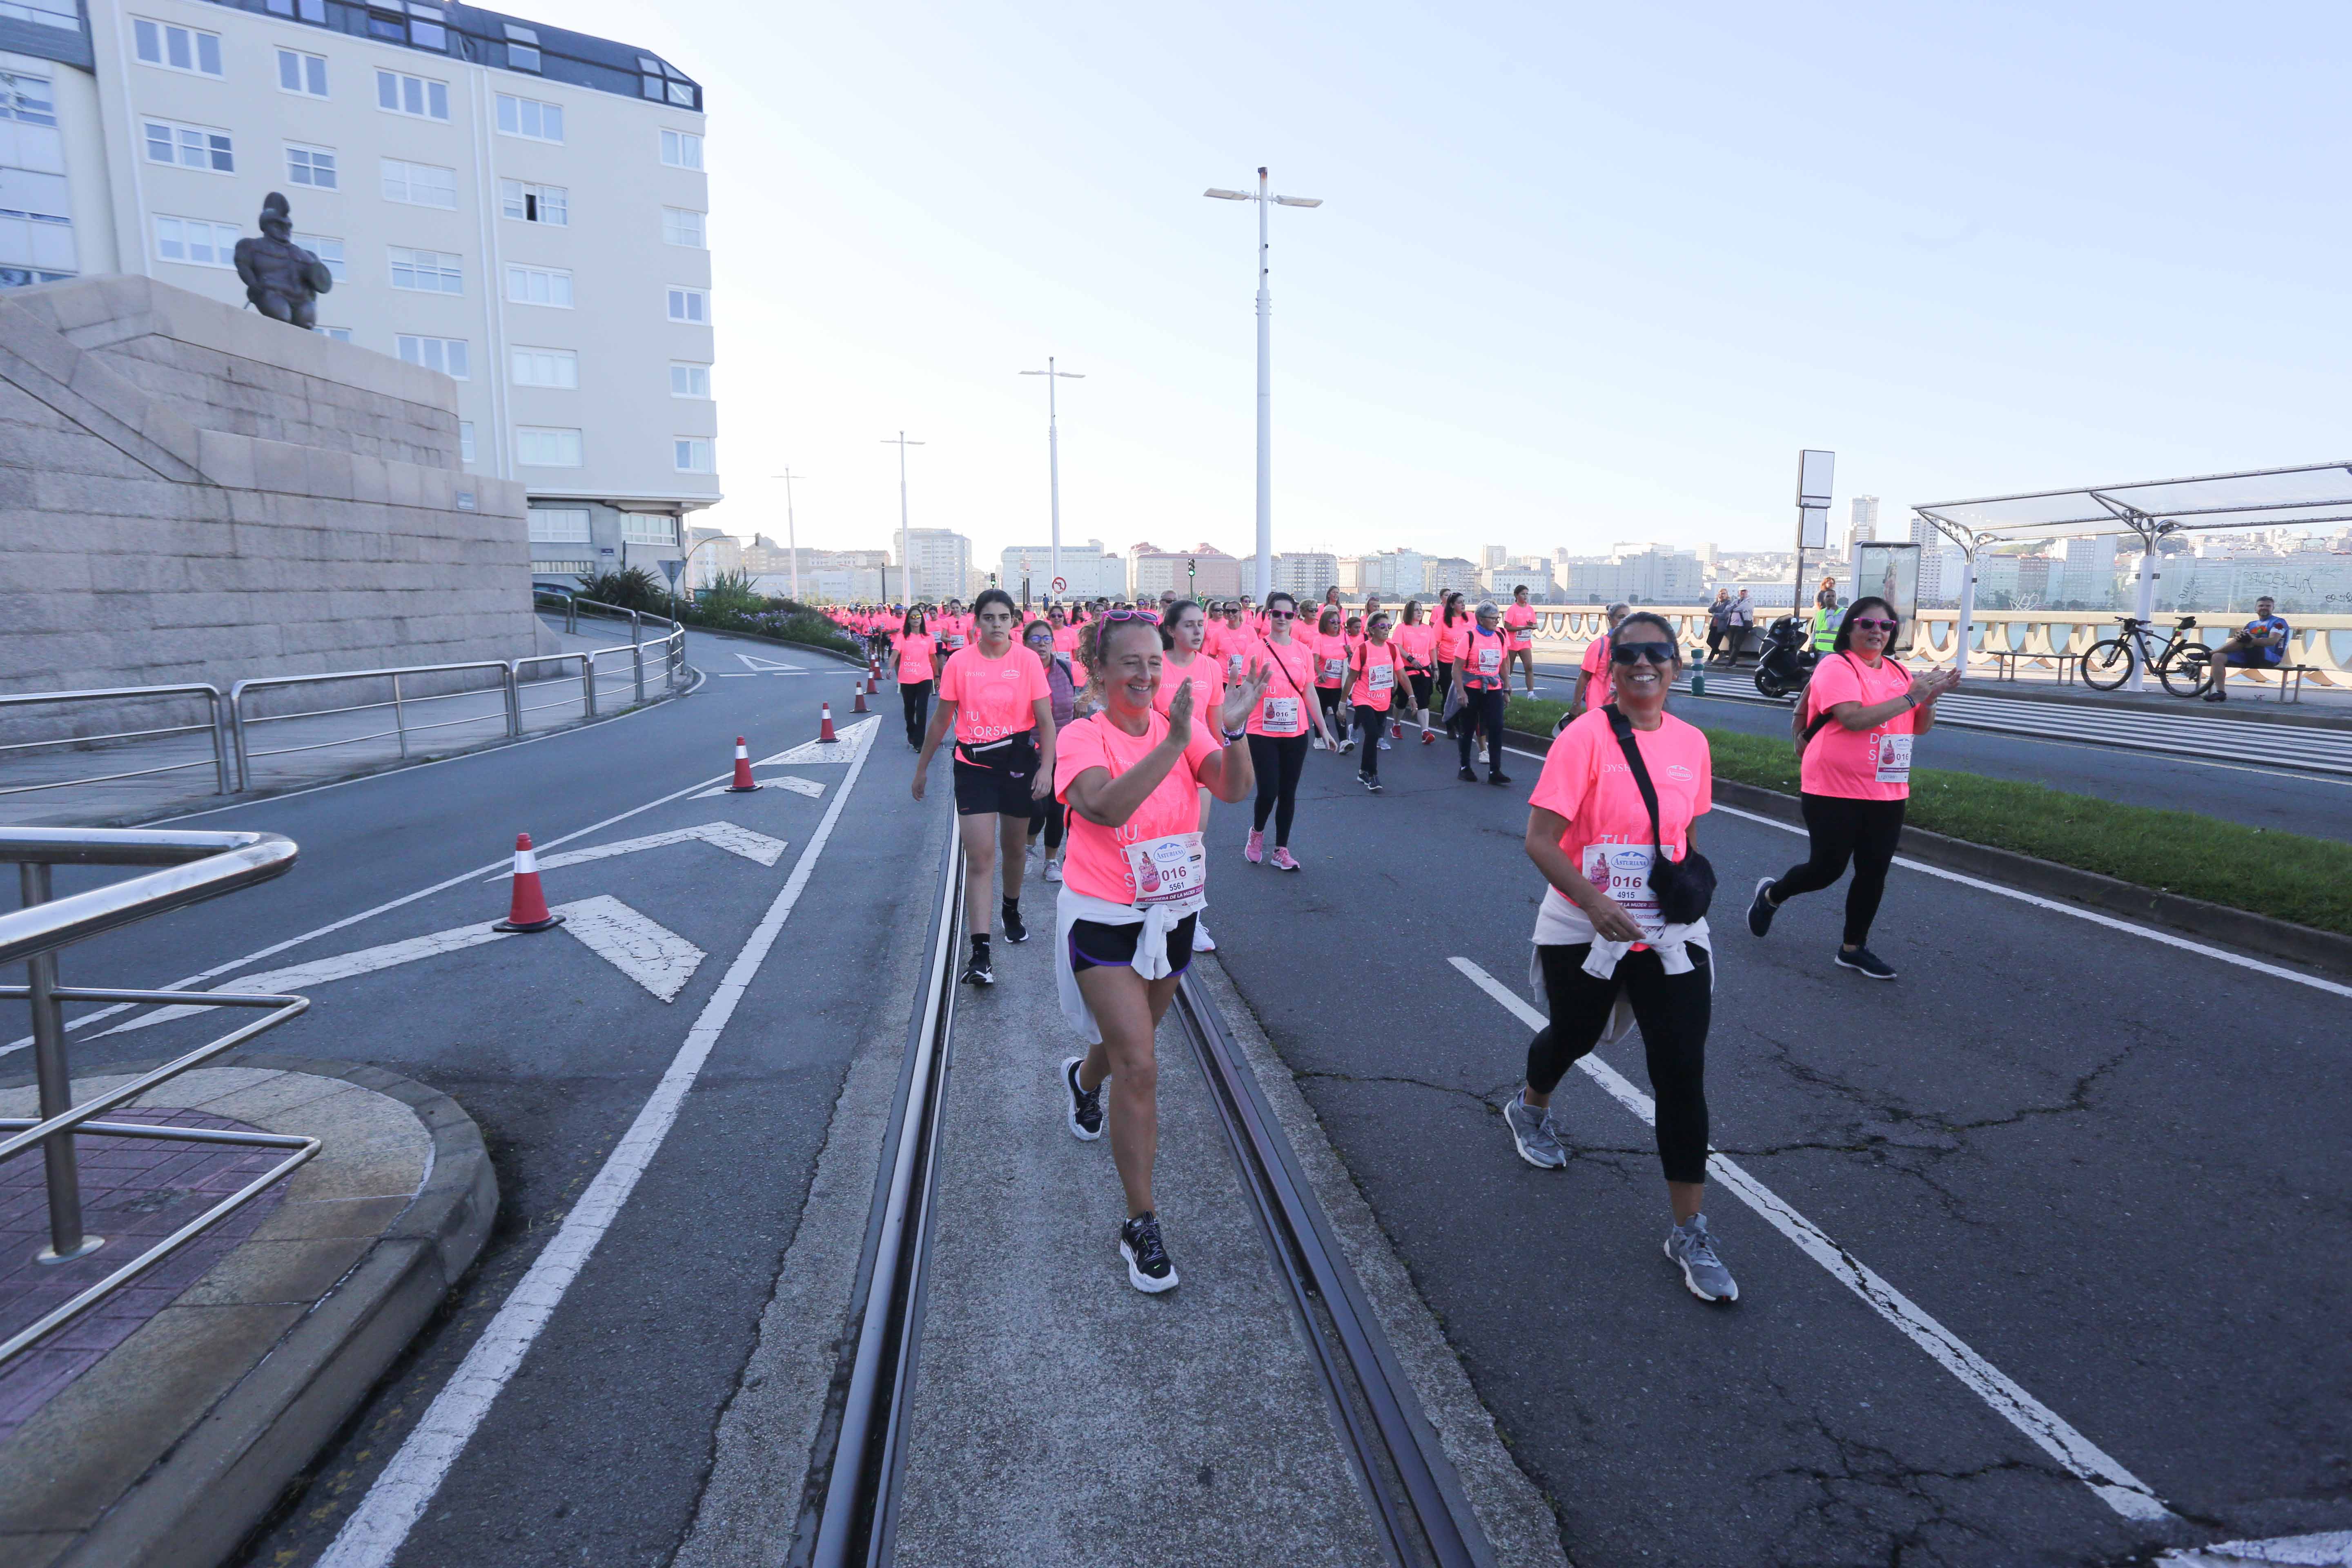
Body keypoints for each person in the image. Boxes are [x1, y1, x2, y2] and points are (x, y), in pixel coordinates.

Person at [1503, 612, 1737, 1302]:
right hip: (1583, 922)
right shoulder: (1583, 739)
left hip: (1666, 932)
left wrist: (1679, 888)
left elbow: (1683, 831)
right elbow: (1541, 839)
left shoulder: (1693, 744)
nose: (1644, 664)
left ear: (1674, 662)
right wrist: (1595, 902)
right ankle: (1531, 1104)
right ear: (1611, 666)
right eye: (1630, 654)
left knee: (1681, 1073)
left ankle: (1689, 1229)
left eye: (1657, 653)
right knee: (1575, 1035)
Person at [1055, 615, 1268, 1292]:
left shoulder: (1185, 725)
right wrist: (1174, 739)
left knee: (1127, 1049)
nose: (1147, 676)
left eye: (1154, 663)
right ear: (1099, 672)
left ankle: (1084, 1082)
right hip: (1103, 913)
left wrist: (1230, 733)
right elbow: (1105, 808)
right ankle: (1140, 1222)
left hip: (1173, 908)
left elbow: (1234, 788)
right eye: (1131, 665)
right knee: (1141, 1065)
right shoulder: (1080, 737)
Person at [1746, 597, 1959, 980]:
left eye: (1886, 626)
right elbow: (1853, 719)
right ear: (1850, 628)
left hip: (1887, 787)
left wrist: (1930, 698)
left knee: (1874, 871)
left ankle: (1853, 949)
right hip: (1833, 786)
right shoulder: (1837, 666)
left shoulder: (1898, 670)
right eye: (1867, 624)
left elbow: (1919, 727)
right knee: (1827, 869)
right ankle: (1771, 896)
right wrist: (1913, 695)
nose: (1877, 631)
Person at [913, 588, 1056, 986]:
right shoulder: (960, 663)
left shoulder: (1027, 661)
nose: (996, 625)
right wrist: (922, 768)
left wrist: (1046, 768)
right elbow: (942, 720)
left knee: (1013, 850)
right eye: (989, 618)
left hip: (1017, 764)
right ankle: (981, 953)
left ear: (1014, 622)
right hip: (972, 766)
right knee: (979, 859)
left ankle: (1011, 909)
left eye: (1003, 618)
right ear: (977, 622)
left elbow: (1045, 721)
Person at [1155, 600, 1234, 951]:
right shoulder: (1156, 666)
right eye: (1188, 625)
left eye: (1200, 624)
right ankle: (1155, 914)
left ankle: (1193, 921)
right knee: (1157, 843)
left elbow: (1215, 724)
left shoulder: (1212, 669)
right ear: (1170, 630)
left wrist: (1224, 763)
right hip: (1159, 766)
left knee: (1193, 846)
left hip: (1199, 766)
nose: (1198, 631)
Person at [1241, 591, 1333, 871]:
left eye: (1288, 614)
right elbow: (1246, 690)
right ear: (1268, 616)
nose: (1282, 619)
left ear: (1295, 617)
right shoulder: (1256, 649)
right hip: (1262, 731)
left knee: (1289, 792)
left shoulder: (1303, 652)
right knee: (1268, 790)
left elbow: (1309, 692)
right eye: (1276, 614)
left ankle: (1281, 849)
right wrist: (1234, 726)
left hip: (1295, 732)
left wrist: (1324, 730)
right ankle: (1257, 833)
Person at [1023, 618, 1078, 882]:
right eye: (1035, 639)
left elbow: (1076, 706)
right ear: (1025, 644)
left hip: (1062, 752)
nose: (1042, 645)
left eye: (1046, 639)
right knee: (1037, 809)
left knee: (1057, 810)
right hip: (1028, 751)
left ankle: (1051, 861)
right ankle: (1028, 847)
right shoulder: (1019, 674)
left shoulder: (1066, 670)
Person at [1349, 610, 1407, 792]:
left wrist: (1412, 696)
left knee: (1373, 735)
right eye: (1382, 626)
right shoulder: (1363, 650)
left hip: (1382, 699)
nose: (1386, 629)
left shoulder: (1392, 649)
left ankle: (1362, 772)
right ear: (1372, 630)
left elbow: (1402, 675)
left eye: (1388, 626)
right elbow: (1351, 678)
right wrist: (1343, 704)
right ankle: (1373, 775)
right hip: (1362, 697)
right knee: (1373, 734)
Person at [1455, 601, 1512, 785]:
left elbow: (1503, 665)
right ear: (1481, 619)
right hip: (1472, 688)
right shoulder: (1470, 637)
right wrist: (1461, 692)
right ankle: (1465, 767)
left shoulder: (1500, 637)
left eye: (1498, 617)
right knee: (1468, 728)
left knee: (1496, 728)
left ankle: (1495, 770)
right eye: (1493, 618)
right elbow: (1456, 669)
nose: (1497, 621)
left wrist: (1506, 688)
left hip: (1493, 689)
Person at [2204, 595, 2291, 702]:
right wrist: (2245, 638)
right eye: (2261, 606)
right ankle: (2220, 693)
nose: (2264, 608)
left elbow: (2272, 641)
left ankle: (2210, 653)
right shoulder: (2251, 625)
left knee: (2247, 639)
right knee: (2218, 657)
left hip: (2269, 658)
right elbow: (2239, 640)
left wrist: (2251, 641)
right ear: (2256, 608)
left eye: (2268, 606)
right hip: (2247, 656)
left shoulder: (2279, 623)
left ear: (2273, 608)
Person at [1570, 604, 1629, 719]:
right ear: (1610, 619)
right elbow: (1584, 678)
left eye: (1628, 618)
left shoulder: (1633, 646)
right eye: (1621, 617)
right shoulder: (1599, 645)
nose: (1625, 622)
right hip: (1598, 707)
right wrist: (1576, 704)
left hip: (1622, 707)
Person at [889, 607, 937, 750]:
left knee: (922, 710)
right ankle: (911, 731)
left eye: (918, 617)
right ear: (909, 620)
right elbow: (895, 655)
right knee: (910, 710)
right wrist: (890, 668)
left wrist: (937, 676)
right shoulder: (902, 637)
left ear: (922, 619)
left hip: (925, 677)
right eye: (913, 617)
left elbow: (933, 658)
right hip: (907, 679)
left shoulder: (929, 637)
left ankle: (920, 743)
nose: (916, 620)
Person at [1395, 599, 1438, 743]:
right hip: (1406, 670)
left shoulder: (1428, 629)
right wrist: (1411, 659)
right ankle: (1396, 725)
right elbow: (1398, 647)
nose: (1420, 612)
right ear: (1409, 612)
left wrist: (1435, 667)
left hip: (1424, 671)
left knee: (1423, 701)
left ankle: (1425, 732)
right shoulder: (1402, 628)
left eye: (1421, 610)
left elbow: (1432, 649)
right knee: (1402, 700)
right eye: (1416, 610)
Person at [1313, 607, 1353, 752]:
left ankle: (1343, 741)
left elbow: (1352, 659)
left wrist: (1350, 653)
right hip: (1323, 683)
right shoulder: (1320, 639)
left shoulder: (1344, 637)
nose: (1336, 625)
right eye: (1333, 622)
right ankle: (1319, 738)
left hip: (1339, 683)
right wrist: (1319, 672)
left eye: (1338, 622)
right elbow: (1315, 659)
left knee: (1340, 711)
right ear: (1325, 623)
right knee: (1321, 711)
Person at [1433, 591, 1469, 724]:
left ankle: (1461, 724)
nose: (1463, 605)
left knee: (1465, 694)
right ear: (1452, 605)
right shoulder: (1442, 622)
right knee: (1449, 695)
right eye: (1460, 602)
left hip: (1466, 665)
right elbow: (1434, 645)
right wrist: (1435, 666)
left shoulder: (1470, 618)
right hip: (1447, 664)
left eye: (1464, 602)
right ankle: (1449, 725)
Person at [1505, 584, 1539, 694]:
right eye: (1523, 594)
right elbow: (1507, 627)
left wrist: (1531, 626)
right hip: (1512, 643)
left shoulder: (1530, 609)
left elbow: (1535, 625)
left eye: (1527, 594)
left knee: (1529, 667)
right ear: (1516, 595)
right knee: (1509, 669)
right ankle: (1506, 691)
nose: (1525, 596)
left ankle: (1531, 694)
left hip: (1525, 643)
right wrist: (1523, 628)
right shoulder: (1512, 610)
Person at [1704, 589, 1734, 663]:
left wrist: (1715, 615)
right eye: (1720, 594)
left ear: (1727, 595)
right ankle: (1721, 654)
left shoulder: (1729, 603)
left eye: (1724, 594)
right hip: (1714, 625)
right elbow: (1710, 610)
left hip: (1722, 627)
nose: (1722, 595)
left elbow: (1725, 615)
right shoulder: (1718, 602)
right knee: (1709, 641)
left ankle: (1710, 660)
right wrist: (1716, 601)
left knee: (1716, 644)